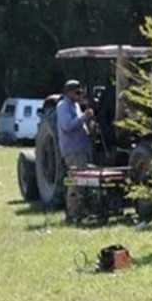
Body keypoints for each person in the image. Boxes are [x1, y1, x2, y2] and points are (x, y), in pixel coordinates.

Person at [56, 79, 93, 223]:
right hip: (73, 150)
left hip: (81, 149)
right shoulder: (63, 106)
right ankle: (73, 214)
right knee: (76, 181)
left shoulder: (75, 105)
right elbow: (67, 126)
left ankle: (81, 211)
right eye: (77, 92)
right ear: (69, 92)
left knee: (82, 181)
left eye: (81, 92)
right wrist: (85, 117)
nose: (79, 95)